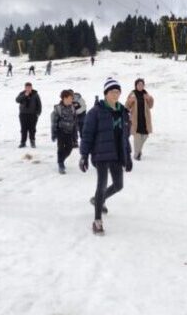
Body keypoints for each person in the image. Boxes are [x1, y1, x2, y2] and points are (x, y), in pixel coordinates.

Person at [79, 78, 132, 235]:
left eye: (118, 92)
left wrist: (128, 156)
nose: (116, 95)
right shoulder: (95, 112)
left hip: (117, 153)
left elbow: (125, 136)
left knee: (118, 185)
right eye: (112, 92)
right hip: (101, 153)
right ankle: (97, 221)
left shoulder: (122, 111)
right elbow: (87, 135)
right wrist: (84, 155)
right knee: (101, 186)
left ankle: (98, 201)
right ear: (105, 93)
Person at [125, 78, 154, 160]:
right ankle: (137, 155)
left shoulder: (146, 94)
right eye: (139, 85)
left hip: (145, 118)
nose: (140, 86)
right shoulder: (132, 94)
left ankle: (138, 151)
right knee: (137, 137)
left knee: (145, 135)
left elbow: (151, 105)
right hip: (135, 118)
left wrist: (149, 98)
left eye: (142, 85)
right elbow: (126, 106)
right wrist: (130, 100)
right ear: (136, 85)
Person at [51, 89, 77, 174]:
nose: (71, 100)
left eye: (72, 98)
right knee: (61, 149)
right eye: (70, 98)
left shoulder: (72, 108)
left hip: (69, 132)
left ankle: (61, 160)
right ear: (64, 98)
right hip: (61, 132)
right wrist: (54, 134)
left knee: (69, 149)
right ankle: (60, 164)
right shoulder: (58, 109)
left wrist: (75, 135)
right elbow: (54, 122)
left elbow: (74, 122)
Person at [15, 82, 42, 148]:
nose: (28, 89)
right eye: (27, 88)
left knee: (32, 129)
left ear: (31, 88)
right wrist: (25, 95)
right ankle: (23, 142)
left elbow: (39, 104)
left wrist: (38, 113)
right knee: (23, 129)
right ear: (25, 88)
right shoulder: (22, 93)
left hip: (33, 115)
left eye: (29, 88)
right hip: (23, 114)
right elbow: (17, 100)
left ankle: (32, 142)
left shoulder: (35, 94)